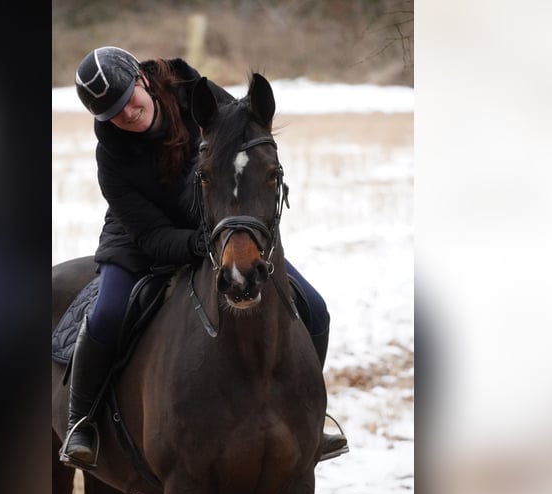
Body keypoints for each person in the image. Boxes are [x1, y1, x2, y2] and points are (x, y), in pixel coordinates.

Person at [59, 46, 348, 470]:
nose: (126, 115)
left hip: (219, 222)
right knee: (106, 314)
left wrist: (240, 218)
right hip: (141, 239)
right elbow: (152, 235)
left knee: (315, 309)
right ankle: (81, 422)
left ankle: (306, 418)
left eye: (128, 102)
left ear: (141, 80)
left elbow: (246, 144)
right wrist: (199, 244)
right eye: (113, 114)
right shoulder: (111, 155)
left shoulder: (194, 94)